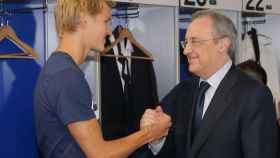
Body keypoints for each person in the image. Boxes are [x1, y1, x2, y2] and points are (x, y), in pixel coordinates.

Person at [33, 0, 171, 158]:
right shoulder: (67, 76)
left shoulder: (59, 68)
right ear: (83, 19)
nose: (108, 31)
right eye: (106, 21)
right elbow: (101, 154)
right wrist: (149, 134)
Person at [142, 10, 278, 158]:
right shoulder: (181, 92)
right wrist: (157, 140)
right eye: (185, 42)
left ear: (222, 44)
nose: (186, 50)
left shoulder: (254, 95)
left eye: (194, 41)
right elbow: (172, 150)